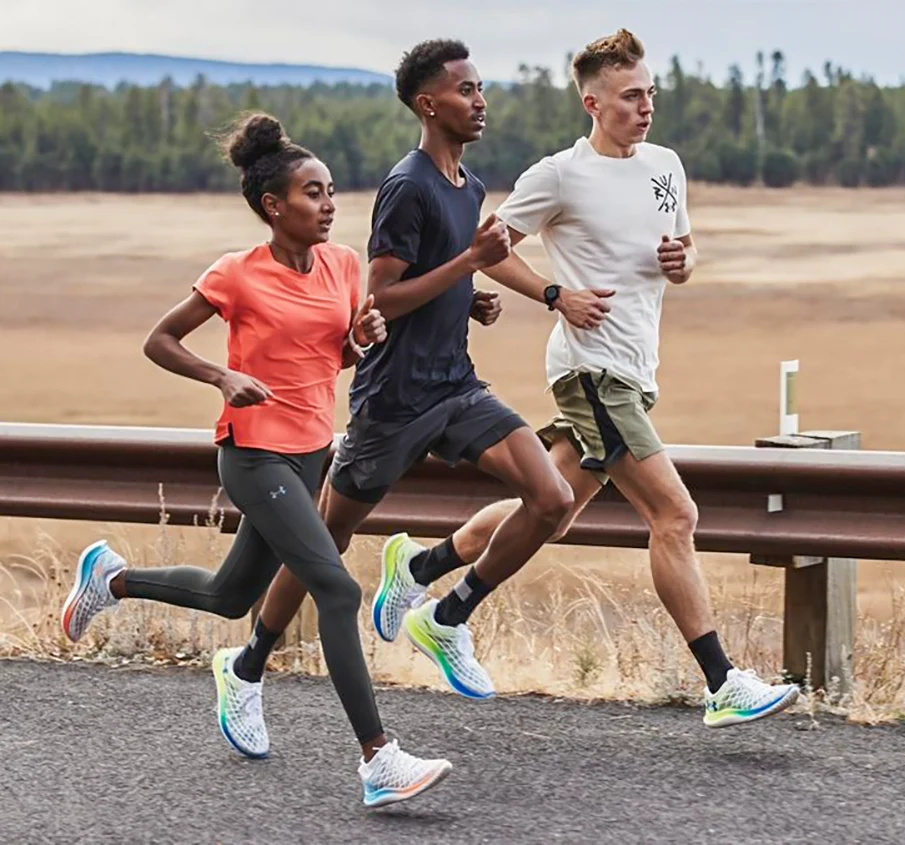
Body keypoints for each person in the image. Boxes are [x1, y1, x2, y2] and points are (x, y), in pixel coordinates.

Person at [382, 29, 801, 727]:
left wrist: (684, 263)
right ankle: (722, 681)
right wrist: (556, 295)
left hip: (634, 369)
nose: (646, 107)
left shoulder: (666, 165)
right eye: (631, 96)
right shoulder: (560, 175)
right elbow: (487, 250)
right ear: (593, 103)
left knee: (553, 507)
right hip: (591, 369)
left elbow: (683, 249)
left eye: (650, 94)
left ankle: (426, 578)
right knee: (675, 515)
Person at [59, 112, 453, 807]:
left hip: (310, 452)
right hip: (252, 454)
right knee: (337, 590)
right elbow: (160, 340)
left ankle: (111, 579)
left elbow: (331, 355)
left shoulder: (342, 264)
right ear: (274, 206)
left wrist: (361, 338)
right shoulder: (237, 273)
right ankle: (378, 758)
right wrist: (222, 377)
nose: (328, 205)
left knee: (230, 594)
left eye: (330, 192)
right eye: (312, 193)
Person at [218, 37, 572, 720]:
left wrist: (467, 299)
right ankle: (248, 664)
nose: (480, 100)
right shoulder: (408, 185)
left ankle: (443, 610)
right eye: (466, 89)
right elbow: (380, 296)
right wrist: (468, 265)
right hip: (393, 400)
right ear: (428, 104)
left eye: (480, 87)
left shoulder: (469, 187)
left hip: (456, 386)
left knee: (552, 498)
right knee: (327, 540)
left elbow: (434, 276)